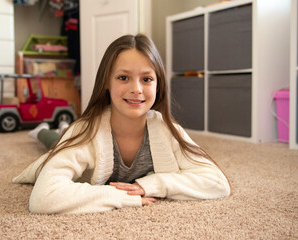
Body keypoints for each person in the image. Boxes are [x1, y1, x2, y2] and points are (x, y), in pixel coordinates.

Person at [13, 34, 230, 214]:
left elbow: (218, 183)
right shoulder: (85, 132)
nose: (136, 89)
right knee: (54, 141)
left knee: (61, 134)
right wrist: (119, 196)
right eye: (123, 78)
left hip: (81, 137)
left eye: (146, 79)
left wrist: (152, 185)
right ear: (106, 82)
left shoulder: (167, 130)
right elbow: (43, 198)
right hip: (75, 134)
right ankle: (41, 131)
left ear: (158, 84)